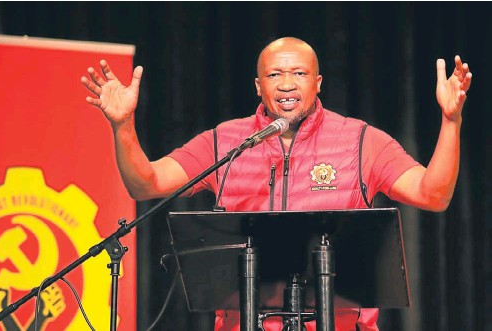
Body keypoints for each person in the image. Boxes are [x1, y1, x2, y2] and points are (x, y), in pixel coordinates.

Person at [81, 37, 472, 331]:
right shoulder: (225, 142)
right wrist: (123, 126)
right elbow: (145, 184)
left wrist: (450, 122)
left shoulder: (360, 141)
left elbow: (432, 194)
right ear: (258, 85)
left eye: (299, 73)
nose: (287, 83)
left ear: (318, 83)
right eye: (275, 74)